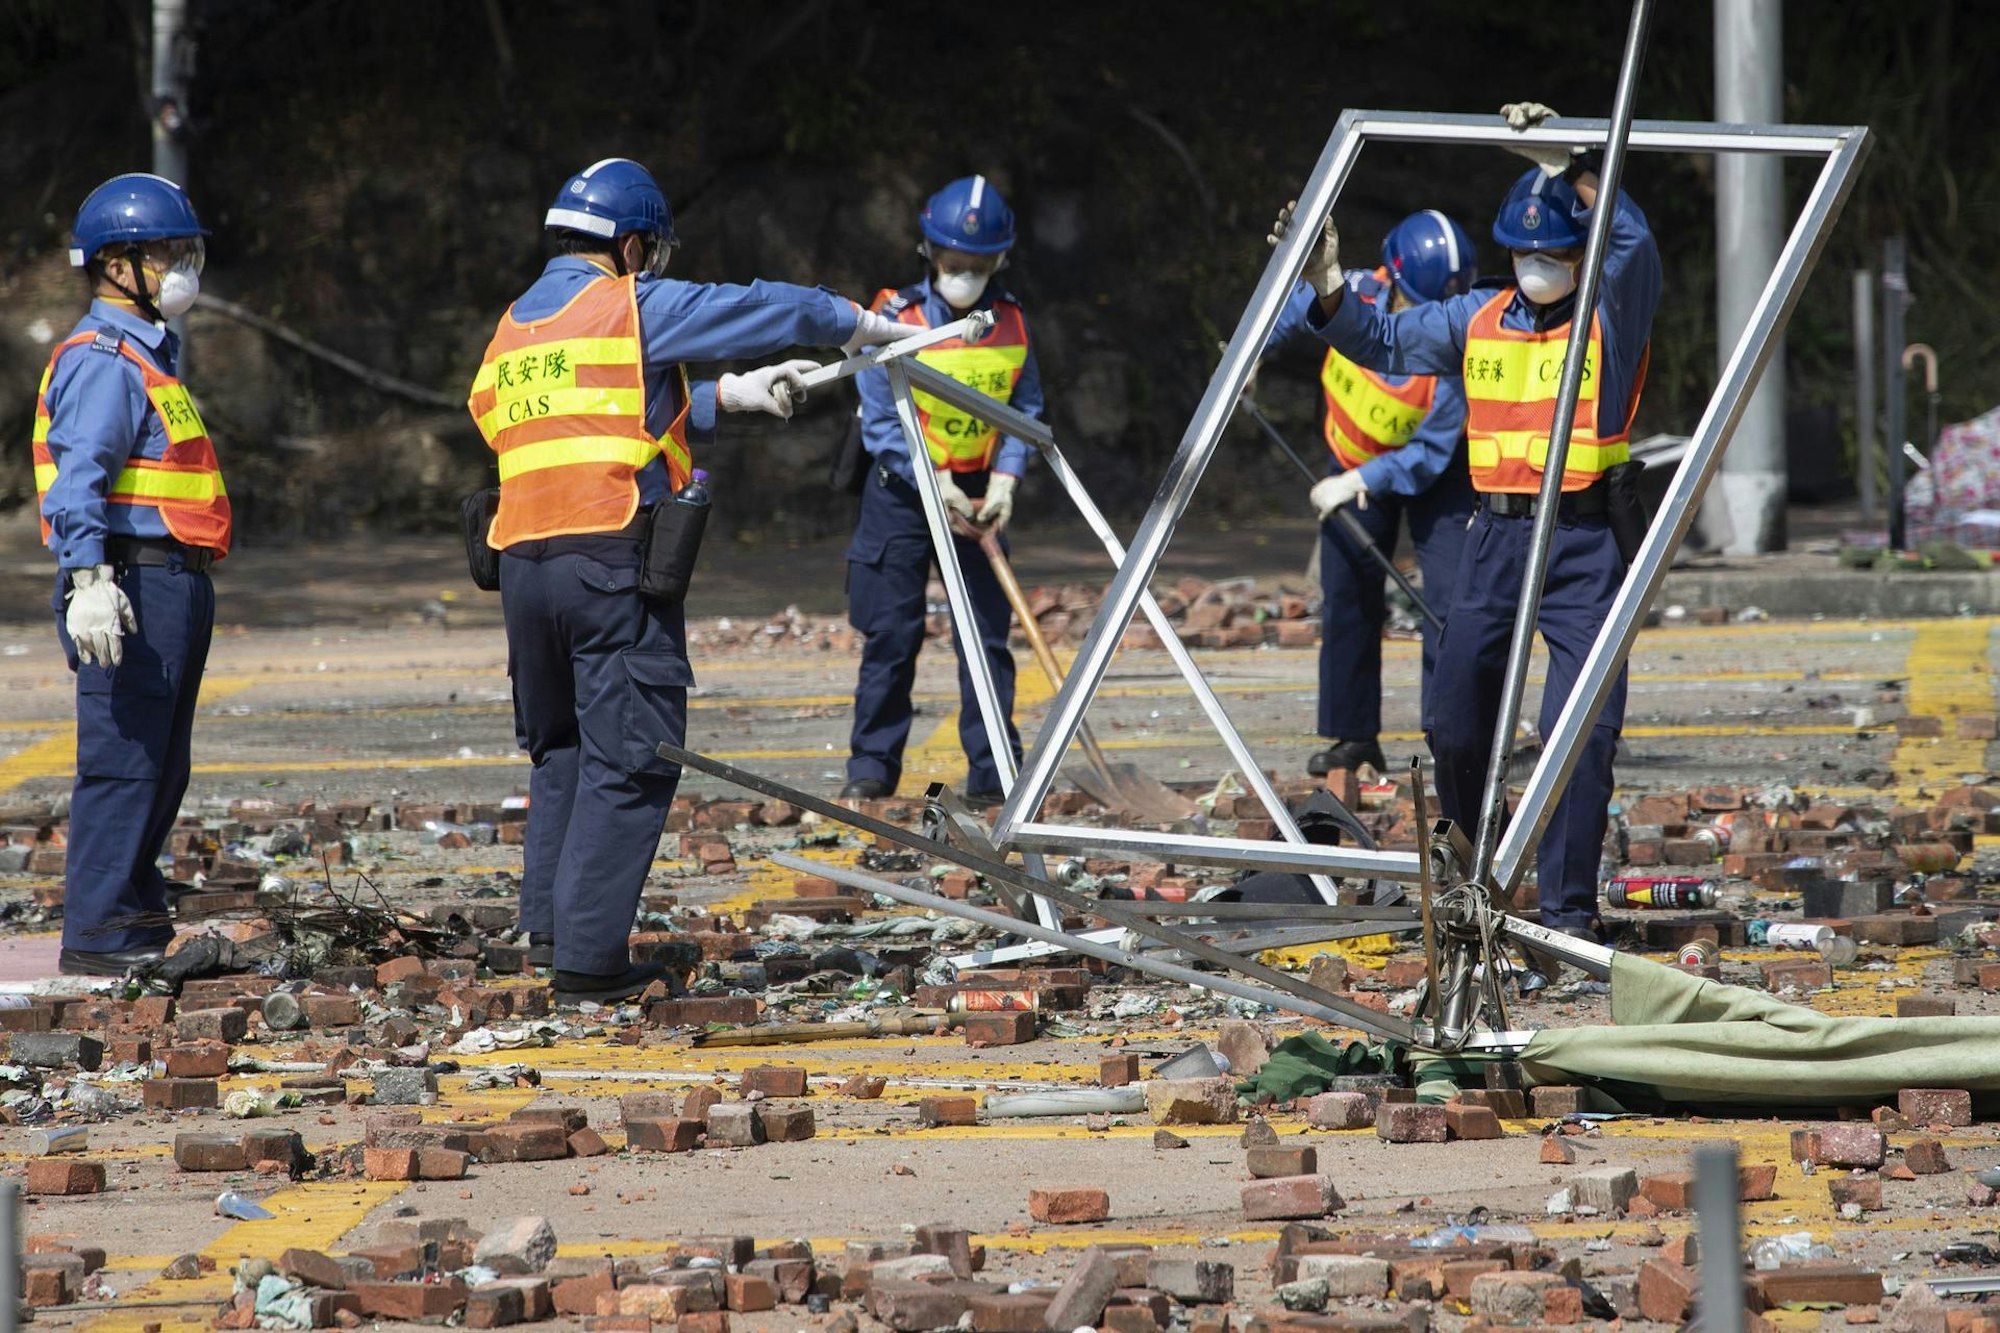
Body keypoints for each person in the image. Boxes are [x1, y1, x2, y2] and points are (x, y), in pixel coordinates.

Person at [467, 157, 910, 1004]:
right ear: (628, 247)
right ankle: (590, 963)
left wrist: (720, 401)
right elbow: (755, 306)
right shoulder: (624, 303)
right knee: (630, 758)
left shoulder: (513, 329)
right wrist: (850, 319)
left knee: (560, 750)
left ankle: (549, 934)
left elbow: (563, 409)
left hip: (524, 568)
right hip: (609, 565)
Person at [1280, 102, 1660, 941]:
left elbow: (1633, 249)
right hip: (1494, 538)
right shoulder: (1477, 317)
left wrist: (1578, 166)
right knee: (1455, 720)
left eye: (1556, 252)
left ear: (1578, 255)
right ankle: (1468, 886)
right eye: (1525, 252)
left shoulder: (1609, 318)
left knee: (1581, 734)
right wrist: (1325, 286)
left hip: (1586, 540)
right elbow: (1378, 337)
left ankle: (1566, 915)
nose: (1538, 266)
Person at [32, 173, 227, 976]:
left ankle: (134, 909)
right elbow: (81, 478)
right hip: (129, 583)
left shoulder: (151, 356)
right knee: (124, 758)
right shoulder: (107, 360)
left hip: (169, 580)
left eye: (185, 251)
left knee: (161, 758)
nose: (181, 267)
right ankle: (102, 928)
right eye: (165, 253)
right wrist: (88, 579)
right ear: (116, 265)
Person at [840, 175, 1046, 804]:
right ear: (929, 253)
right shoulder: (893, 317)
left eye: (980, 265)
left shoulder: (1010, 323)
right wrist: (935, 483)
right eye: (956, 263)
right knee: (892, 633)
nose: (967, 274)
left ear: (1001, 261)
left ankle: (994, 775)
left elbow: (1026, 408)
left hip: (979, 496)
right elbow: (879, 422)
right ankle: (871, 768)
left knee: (985, 637)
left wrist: (1007, 480)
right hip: (903, 493)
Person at [1257, 210, 1478, 780]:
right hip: (1350, 462)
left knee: (1451, 601)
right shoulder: (1354, 293)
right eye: (1413, 306)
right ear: (1392, 277)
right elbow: (1291, 312)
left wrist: (1361, 483)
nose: (1424, 322)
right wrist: (1249, 356)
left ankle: (1452, 736)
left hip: (1437, 474)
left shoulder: (1460, 338)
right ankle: (1354, 737)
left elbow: (1429, 452)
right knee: (1348, 593)